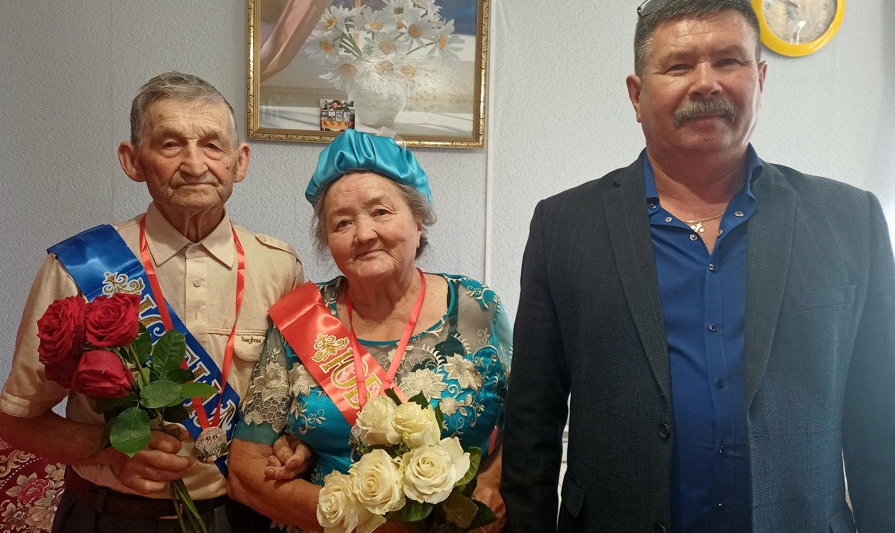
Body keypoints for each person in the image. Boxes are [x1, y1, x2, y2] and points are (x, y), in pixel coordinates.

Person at [500, 0, 895, 533]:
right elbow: (532, 420)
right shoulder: (564, 226)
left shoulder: (849, 220)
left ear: (760, 78)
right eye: (679, 66)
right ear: (636, 94)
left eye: (729, 61)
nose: (706, 82)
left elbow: (882, 422)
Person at [0, 72, 307, 532]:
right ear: (132, 160)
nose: (194, 164)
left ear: (240, 162)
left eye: (212, 145)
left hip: (243, 517)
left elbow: (292, 406)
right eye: (169, 144)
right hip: (110, 517)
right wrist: (109, 448)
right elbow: (17, 421)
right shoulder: (79, 266)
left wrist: (293, 444)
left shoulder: (280, 267)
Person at [227, 128, 512, 532]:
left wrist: (492, 481)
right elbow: (245, 470)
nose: (363, 234)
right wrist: (372, 526)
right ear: (327, 239)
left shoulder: (477, 308)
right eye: (342, 222)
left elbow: (527, 423)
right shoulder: (301, 317)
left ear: (418, 219)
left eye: (380, 212)